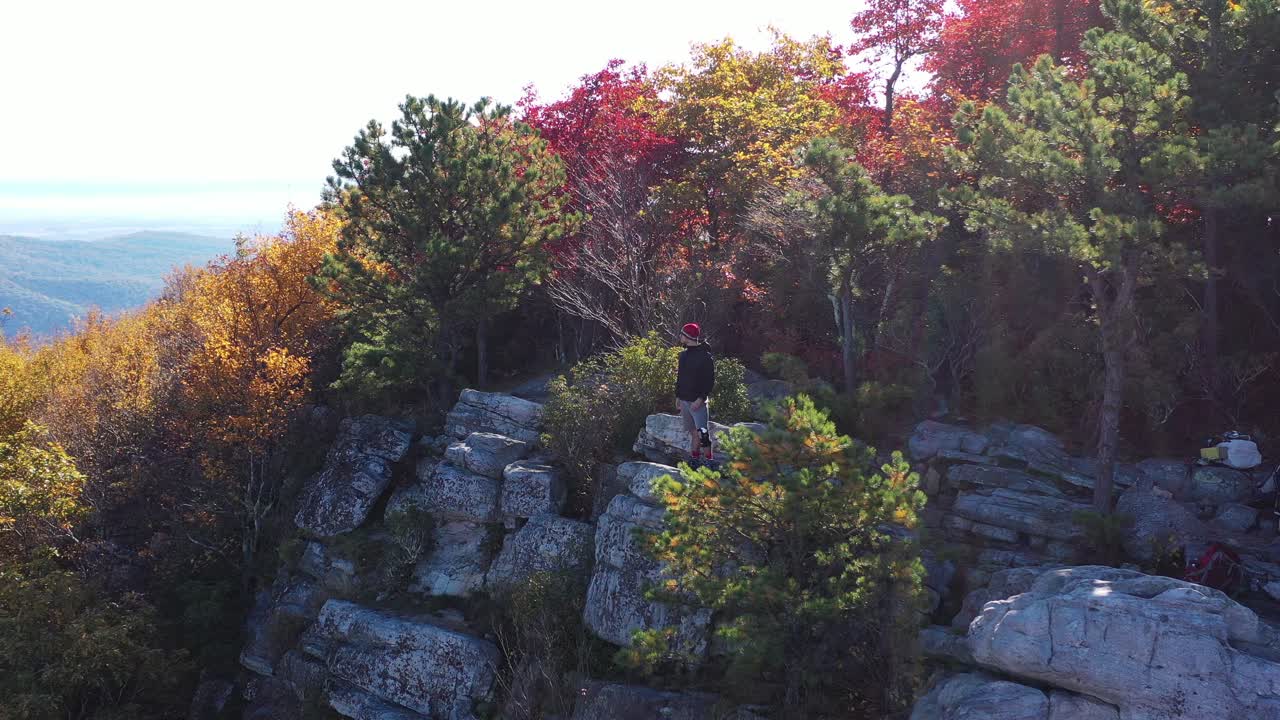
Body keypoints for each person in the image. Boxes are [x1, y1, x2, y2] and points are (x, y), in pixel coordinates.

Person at [676, 322, 716, 464]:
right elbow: (680, 378)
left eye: (681, 334)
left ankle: (710, 462)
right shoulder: (683, 356)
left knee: (703, 434)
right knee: (693, 433)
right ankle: (694, 459)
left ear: (687, 336)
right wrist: (678, 397)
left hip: (698, 402)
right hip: (684, 400)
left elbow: (709, 381)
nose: (679, 336)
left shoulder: (705, 357)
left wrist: (700, 399)